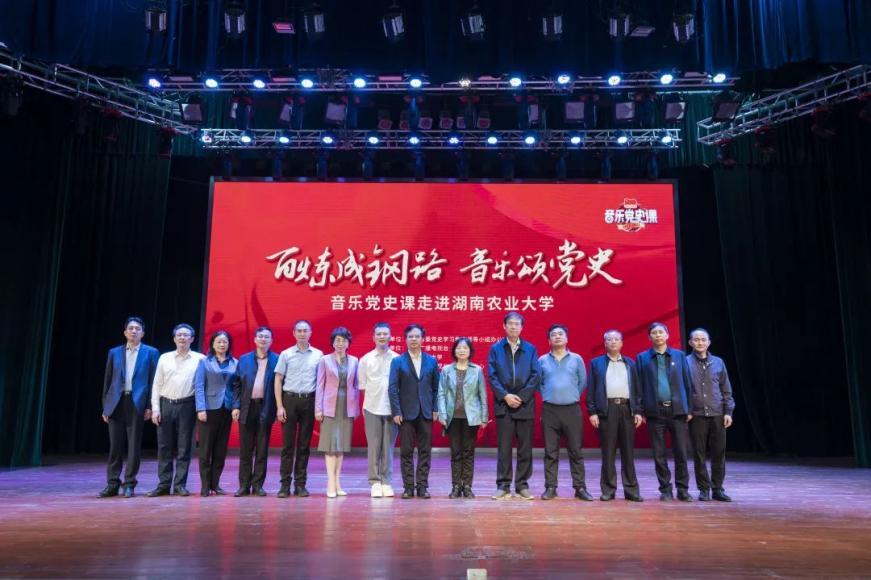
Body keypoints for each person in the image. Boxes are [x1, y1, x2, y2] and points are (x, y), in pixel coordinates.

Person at [98, 317, 159, 498]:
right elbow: (108, 380)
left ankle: (129, 484)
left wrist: (150, 406)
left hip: (137, 402)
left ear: (143, 333)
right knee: (115, 446)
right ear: (125, 332)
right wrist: (106, 406)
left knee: (133, 446)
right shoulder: (114, 352)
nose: (133, 331)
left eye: (137, 329)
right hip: (116, 403)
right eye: (130, 328)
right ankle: (112, 484)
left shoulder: (151, 352)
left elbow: (153, 381)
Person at [635, 322, 694, 502]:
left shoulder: (679, 355)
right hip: (655, 412)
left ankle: (683, 489)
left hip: (677, 411)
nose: (658, 335)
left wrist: (689, 408)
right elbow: (638, 386)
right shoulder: (642, 358)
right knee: (659, 454)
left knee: (681, 452)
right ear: (649, 337)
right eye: (654, 333)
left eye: (661, 332)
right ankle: (665, 489)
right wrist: (640, 410)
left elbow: (687, 383)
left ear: (667, 335)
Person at [488, 312, 541, 500]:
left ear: (522, 327)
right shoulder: (496, 348)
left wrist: (521, 397)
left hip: (525, 405)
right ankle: (503, 486)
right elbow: (492, 376)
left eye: (517, 324)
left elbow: (535, 375)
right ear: (504, 326)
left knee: (525, 448)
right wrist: (505, 396)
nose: (513, 326)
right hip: (503, 405)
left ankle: (522, 485)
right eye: (510, 323)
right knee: (504, 448)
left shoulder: (530, 349)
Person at [147, 323, 205, 497]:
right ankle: (164, 484)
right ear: (174, 339)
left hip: (187, 405)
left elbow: (201, 385)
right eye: (179, 335)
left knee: (184, 447)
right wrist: (155, 409)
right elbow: (156, 384)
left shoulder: (200, 359)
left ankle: (180, 485)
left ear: (192, 339)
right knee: (164, 446)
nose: (182, 338)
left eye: (186, 335)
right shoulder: (164, 358)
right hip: (165, 404)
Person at [587, 330, 644, 502]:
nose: (613, 342)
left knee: (628, 452)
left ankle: (631, 490)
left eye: (616, 339)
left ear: (621, 343)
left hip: (627, 409)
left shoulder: (630, 363)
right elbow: (591, 389)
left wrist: (638, 411)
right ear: (605, 343)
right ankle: (608, 489)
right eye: (609, 339)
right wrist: (592, 412)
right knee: (608, 452)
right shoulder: (596, 363)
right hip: (607, 410)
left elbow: (637, 389)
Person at [538, 324, 593, 501]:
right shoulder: (542, 360)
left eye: (560, 334)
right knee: (550, 452)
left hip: (572, 410)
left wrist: (572, 395)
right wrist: (549, 395)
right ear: (549, 340)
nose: (557, 336)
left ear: (566, 338)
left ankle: (580, 487)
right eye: (553, 335)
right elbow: (538, 383)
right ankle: (550, 487)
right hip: (550, 410)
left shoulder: (576, 359)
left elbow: (583, 382)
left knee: (576, 450)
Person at [388, 324, 440, 499]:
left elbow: (436, 388)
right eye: (410, 336)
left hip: (426, 412)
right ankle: (408, 487)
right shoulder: (398, 361)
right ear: (405, 339)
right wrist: (396, 411)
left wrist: (435, 408)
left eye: (417, 336)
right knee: (406, 451)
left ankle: (422, 486)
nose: (414, 339)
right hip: (406, 413)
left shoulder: (431, 361)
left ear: (422, 339)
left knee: (425, 451)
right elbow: (392, 388)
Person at [274, 320, 323, 498]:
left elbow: (321, 382)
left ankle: (300, 485)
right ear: (294, 333)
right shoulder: (286, 354)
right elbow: (278, 380)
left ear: (310, 333)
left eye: (305, 331)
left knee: (304, 446)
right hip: (289, 400)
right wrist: (279, 406)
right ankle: (284, 485)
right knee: (287, 446)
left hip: (309, 401)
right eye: (299, 331)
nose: (302, 334)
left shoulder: (318, 355)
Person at [686, 328, 736, 502]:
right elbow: (682, 389)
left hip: (717, 413)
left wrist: (728, 412)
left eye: (703, 339)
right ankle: (703, 489)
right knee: (699, 454)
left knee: (718, 453)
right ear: (690, 342)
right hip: (696, 414)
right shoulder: (685, 362)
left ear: (709, 342)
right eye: (696, 339)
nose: (700, 342)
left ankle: (718, 488)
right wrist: (687, 410)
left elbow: (726, 388)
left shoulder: (718, 362)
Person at [437, 337, 489, 499]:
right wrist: (442, 414)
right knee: (455, 453)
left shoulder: (477, 370)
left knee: (468, 453)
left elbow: (482, 394)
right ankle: (455, 486)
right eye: (459, 348)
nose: (461, 350)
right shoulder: (446, 370)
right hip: (452, 417)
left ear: (470, 351)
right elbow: (441, 393)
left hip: (471, 418)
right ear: (454, 351)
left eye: (465, 348)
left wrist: (484, 417)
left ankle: (467, 486)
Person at [233, 326, 279, 497]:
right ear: (255, 339)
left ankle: (258, 485)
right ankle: (244, 485)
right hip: (247, 407)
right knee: (245, 450)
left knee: (262, 449)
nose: (263, 339)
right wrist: (236, 406)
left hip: (266, 407)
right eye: (260, 336)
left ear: (271, 341)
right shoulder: (244, 359)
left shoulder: (277, 360)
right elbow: (237, 384)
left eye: (266, 337)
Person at [315, 327, 361, 498]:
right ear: (332, 343)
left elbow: (356, 386)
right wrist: (318, 409)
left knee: (340, 446)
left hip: (346, 407)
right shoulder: (324, 360)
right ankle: (330, 483)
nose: (340, 343)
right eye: (337, 340)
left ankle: (338, 483)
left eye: (344, 340)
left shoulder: (355, 361)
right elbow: (320, 385)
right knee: (330, 446)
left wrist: (355, 408)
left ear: (348, 343)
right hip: (329, 406)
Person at [193, 330, 239, 497]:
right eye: (218, 341)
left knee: (220, 450)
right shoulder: (204, 362)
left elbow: (237, 387)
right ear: (212, 344)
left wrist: (236, 406)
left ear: (229, 344)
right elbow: (199, 386)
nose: (222, 344)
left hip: (226, 409)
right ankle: (205, 485)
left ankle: (215, 484)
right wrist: (200, 408)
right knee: (205, 449)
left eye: (225, 342)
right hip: (209, 409)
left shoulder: (235, 362)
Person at [357, 322, 400, 498]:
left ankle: (386, 482)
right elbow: (363, 386)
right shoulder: (365, 359)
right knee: (374, 447)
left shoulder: (397, 359)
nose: (382, 337)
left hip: (392, 409)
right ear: (373, 337)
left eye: (385, 334)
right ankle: (375, 482)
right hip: (372, 408)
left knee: (388, 447)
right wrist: (370, 403)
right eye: (379, 334)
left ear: (390, 336)